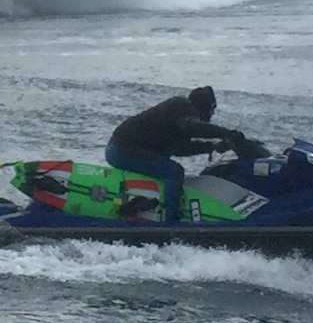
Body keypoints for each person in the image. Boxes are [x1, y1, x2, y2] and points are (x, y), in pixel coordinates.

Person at [105, 86, 246, 221]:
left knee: (171, 171)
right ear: (202, 106)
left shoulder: (180, 120)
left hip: (120, 149)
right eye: (212, 108)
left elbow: (181, 149)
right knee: (174, 172)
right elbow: (195, 128)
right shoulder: (181, 106)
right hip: (121, 150)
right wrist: (227, 133)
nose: (213, 113)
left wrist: (212, 147)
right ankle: (171, 221)